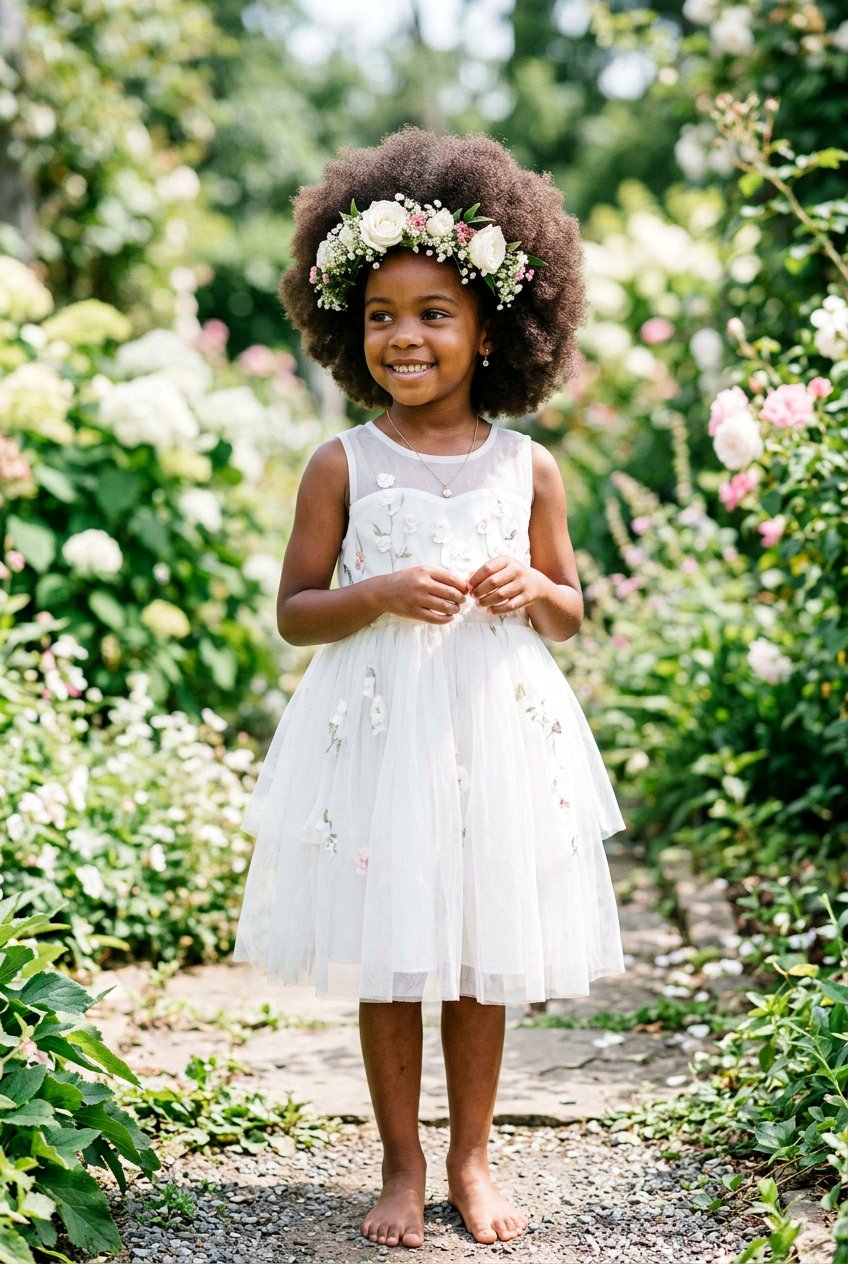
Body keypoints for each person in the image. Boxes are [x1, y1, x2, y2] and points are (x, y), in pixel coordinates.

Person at [233, 126, 626, 1250]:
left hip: (492, 730)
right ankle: (401, 1161)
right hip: (382, 729)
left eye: (434, 313)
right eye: (381, 316)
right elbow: (296, 608)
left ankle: (470, 1155)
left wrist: (526, 586)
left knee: (480, 942)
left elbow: (569, 604)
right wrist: (381, 589)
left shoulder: (525, 465)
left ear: (493, 328)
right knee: (397, 942)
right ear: (349, 329)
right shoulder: (342, 463)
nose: (404, 336)